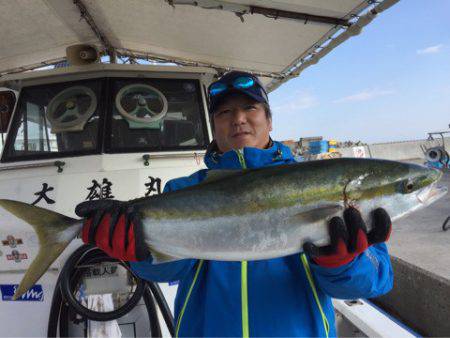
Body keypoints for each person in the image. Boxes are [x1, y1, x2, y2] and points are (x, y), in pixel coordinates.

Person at [76, 71, 393, 337]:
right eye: (224, 112)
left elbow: (374, 281)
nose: (238, 119)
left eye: (250, 108)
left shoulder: (319, 183)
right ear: (214, 125)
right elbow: (169, 270)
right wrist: (138, 255)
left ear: (269, 121)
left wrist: (345, 264)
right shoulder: (185, 189)